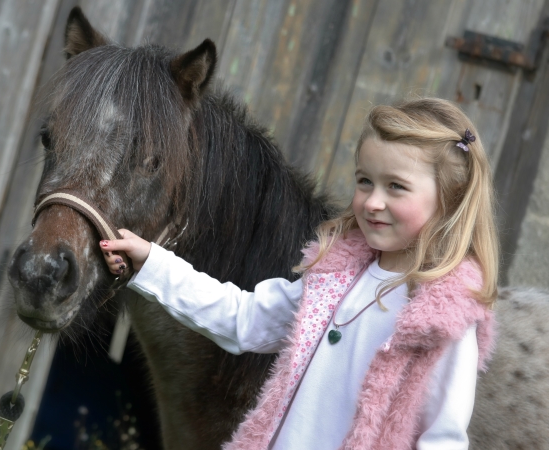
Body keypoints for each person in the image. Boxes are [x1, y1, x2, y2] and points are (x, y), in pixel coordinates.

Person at [99, 97, 498, 449]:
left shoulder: (442, 322)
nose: (373, 201)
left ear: (449, 201)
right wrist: (152, 262)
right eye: (365, 181)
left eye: (396, 186)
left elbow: (443, 439)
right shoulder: (333, 279)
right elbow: (244, 319)